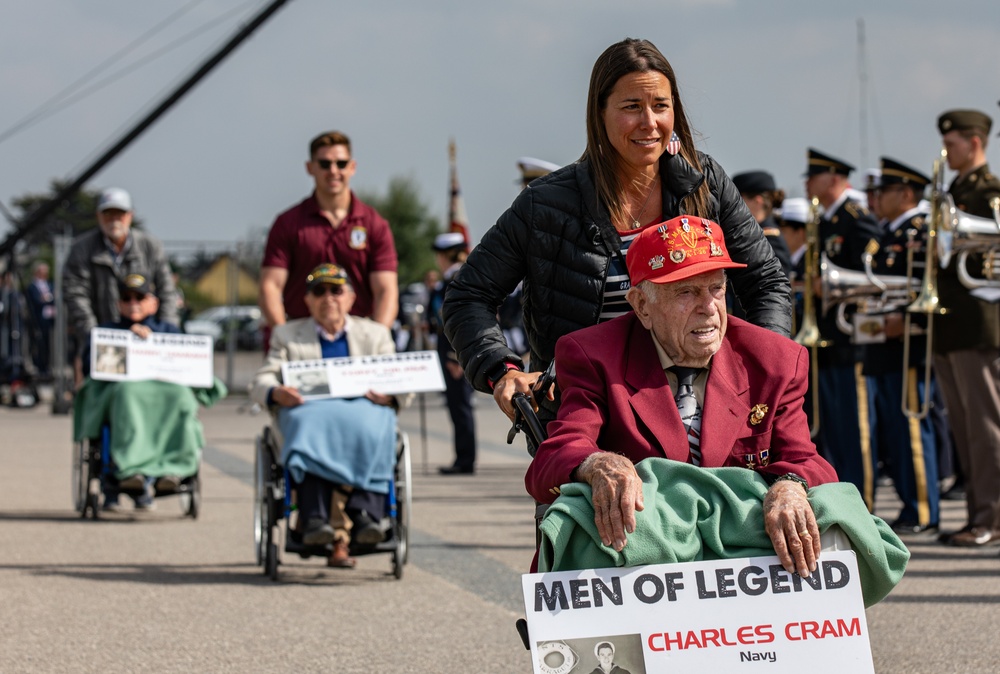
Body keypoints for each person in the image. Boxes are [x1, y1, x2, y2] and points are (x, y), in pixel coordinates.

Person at [442, 38, 791, 432]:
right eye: (631, 107)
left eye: (660, 105)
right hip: (586, 423)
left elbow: (767, 283)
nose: (649, 122)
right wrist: (503, 370)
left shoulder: (705, 184)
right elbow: (468, 296)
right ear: (599, 113)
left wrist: (760, 371)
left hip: (706, 423)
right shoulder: (546, 205)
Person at [526, 215, 838, 579]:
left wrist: (790, 485)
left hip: (743, 558)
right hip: (643, 561)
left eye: (716, 289)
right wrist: (597, 465)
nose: (708, 307)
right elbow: (558, 452)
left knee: (834, 514)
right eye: (686, 292)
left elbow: (806, 459)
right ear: (642, 305)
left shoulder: (775, 360)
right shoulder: (593, 355)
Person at [251, 263, 405, 568]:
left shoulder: (375, 335)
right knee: (307, 424)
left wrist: (391, 395)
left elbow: (400, 379)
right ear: (307, 300)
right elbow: (262, 380)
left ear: (350, 297)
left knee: (376, 423)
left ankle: (366, 515)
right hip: (311, 414)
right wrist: (276, 393)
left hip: (363, 412)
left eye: (336, 290)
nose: (328, 297)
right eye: (318, 291)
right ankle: (315, 517)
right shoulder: (288, 335)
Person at [259, 131, 399, 341]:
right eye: (324, 164)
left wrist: (375, 341)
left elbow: (386, 290)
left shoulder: (374, 224)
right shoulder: (288, 223)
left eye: (341, 163)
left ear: (352, 167)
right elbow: (270, 286)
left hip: (358, 337)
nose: (333, 171)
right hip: (301, 337)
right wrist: (285, 337)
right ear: (310, 168)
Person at [933, 109, 1000, 547]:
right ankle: (980, 513)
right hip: (952, 325)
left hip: (980, 325)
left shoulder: (989, 192)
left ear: (974, 143)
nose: (945, 151)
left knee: (986, 427)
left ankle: (991, 517)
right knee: (964, 428)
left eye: (952, 143)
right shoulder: (952, 190)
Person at [863, 157, 940, 535]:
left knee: (911, 429)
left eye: (885, 191)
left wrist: (909, 323)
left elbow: (930, 290)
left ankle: (923, 509)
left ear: (906, 194)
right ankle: (911, 505)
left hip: (908, 346)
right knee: (896, 432)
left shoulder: (920, 231)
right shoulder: (890, 234)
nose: (876, 198)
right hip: (885, 347)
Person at [804, 148, 881, 507]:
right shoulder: (825, 220)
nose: (807, 183)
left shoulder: (855, 217)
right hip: (827, 340)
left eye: (814, 176)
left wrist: (830, 287)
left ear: (834, 178)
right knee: (832, 429)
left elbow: (873, 276)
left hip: (850, 339)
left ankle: (864, 502)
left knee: (855, 429)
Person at [80, 273, 183, 511]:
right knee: (127, 395)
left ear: (154, 302)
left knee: (182, 399)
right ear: (118, 304)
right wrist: (126, 341)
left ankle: (172, 467)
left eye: (140, 297)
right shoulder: (107, 331)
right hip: (124, 397)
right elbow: (89, 367)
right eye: (126, 298)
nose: (133, 303)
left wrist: (151, 341)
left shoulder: (169, 331)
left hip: (161, 398)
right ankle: (125, 473)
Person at [63, 187, 178, 382]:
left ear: (130, 216)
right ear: (98, 216)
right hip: (103, 334)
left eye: (120, 214)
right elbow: (75, 295)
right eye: (108, 214)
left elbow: (167, 292)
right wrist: (98, 338)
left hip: (147, 340)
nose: (114, 220)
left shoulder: (150, 246)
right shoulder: (81, 249)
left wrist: (162, 336)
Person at [428, 232, 477, 475]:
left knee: (461, 407)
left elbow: (462, 321)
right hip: (448, 353)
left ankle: (465, 459)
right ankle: (462, 456)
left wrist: (457, 356)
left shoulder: (459, 278)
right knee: (455, 407)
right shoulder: (448, 280)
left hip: (455, 356)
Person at [731, 170, 792, 276]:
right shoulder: (754, 233)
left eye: (739, 201)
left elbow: (777, 280)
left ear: (757, 201)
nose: (733, 207)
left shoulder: (770, 238)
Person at [25, 261, 55, 378]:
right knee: (38, 343)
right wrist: (44, 299)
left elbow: (53, 298)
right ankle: (39, 365)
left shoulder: (50, 284)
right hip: (37, 320)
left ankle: (47, 365)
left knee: (47, 343)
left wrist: (46, 299)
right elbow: (35, 301)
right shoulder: (32, 287)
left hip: (49, 319)